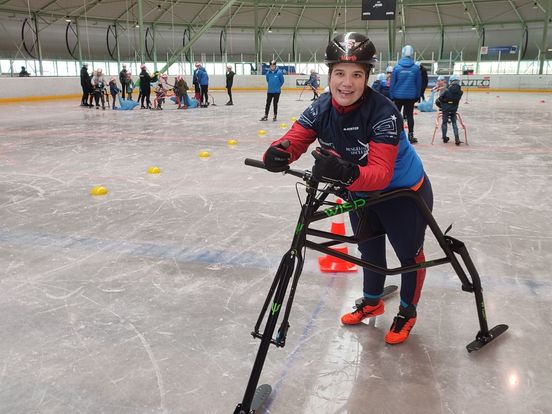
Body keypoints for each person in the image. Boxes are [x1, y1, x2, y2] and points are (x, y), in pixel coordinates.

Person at [261, 32, 433, 345]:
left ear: (367, 78)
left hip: (403, 194)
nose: (346, 83)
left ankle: (408, 311)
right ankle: (371, 301)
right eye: (339, 73)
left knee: (409, 256)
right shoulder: (321, 107)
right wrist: (278, 151)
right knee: (369, 250)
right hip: (360, 192)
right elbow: (295, 137)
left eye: (356, 75)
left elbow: (380, 174)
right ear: (329, 75)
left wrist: (343, 171)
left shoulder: (384, 113)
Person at [389, 45, 421, 144]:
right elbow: (418, 83)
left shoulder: (397, 67)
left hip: (398, 97)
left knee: (396, 116)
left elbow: (392, 83)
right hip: (410, 97)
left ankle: (396, 134)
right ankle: (411, 135)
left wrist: (392, 95)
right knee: (410, 116)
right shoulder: (415, 68)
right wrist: (417, 95)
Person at [437, 74, 464, 145]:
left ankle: (444, 137)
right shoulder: (460, 92)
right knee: (454, 123)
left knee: (444, 122)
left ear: (451, 81)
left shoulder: (447, 90)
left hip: (445, 109)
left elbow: (440, 99)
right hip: (454, 109)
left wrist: (444, 102)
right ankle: (457, 138)